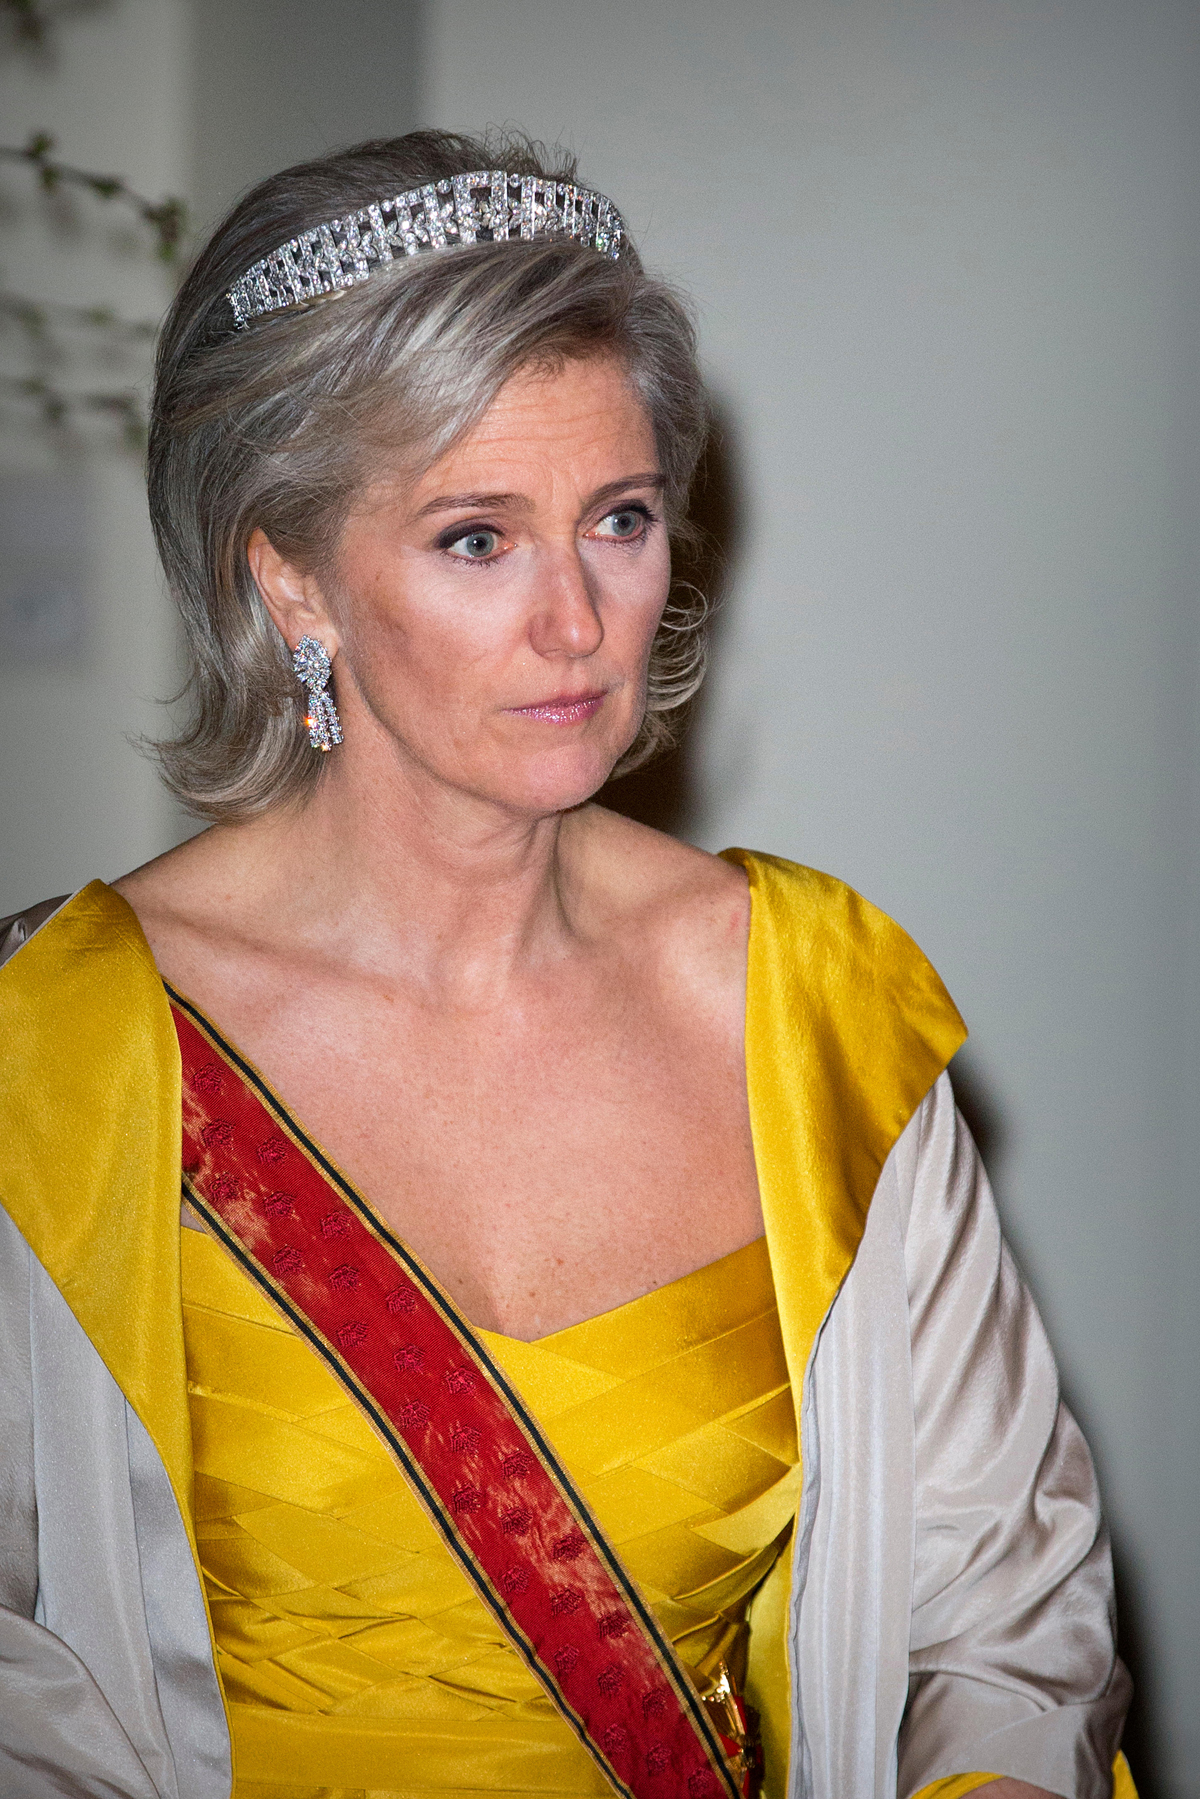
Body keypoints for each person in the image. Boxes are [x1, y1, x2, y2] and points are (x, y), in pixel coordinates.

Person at [0, 130, 1135, 1799]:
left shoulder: (807, 1006)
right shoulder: (56, 1053)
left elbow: (1001, 1622)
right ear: (290, 577)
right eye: (477, 538)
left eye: (616, 518)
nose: (579, 623)